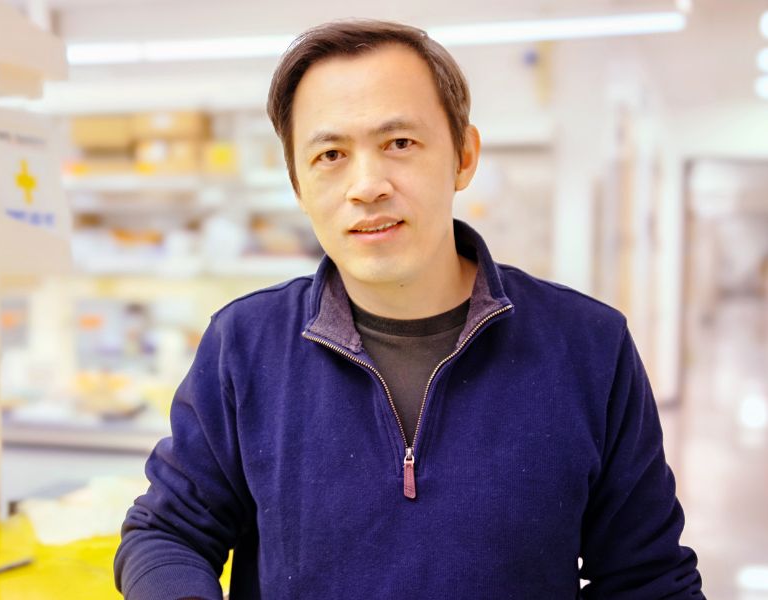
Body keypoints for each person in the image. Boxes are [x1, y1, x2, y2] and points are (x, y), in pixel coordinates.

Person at [114, 19, 704, 599]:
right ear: (297, 181)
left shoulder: (588, 347)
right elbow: (166, 533)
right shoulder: (243, 345)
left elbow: (648, 578)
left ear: (464, 156)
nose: (367, 185)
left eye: (399, 143)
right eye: (330, 154)